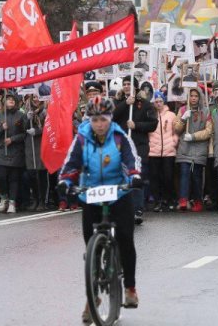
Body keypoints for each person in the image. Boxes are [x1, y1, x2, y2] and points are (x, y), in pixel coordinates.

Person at [58, 98, 142, 321]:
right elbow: (71, 163)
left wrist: (134, 176)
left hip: (119, 192)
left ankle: (130, 288)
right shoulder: (82, 139)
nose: (99, 124)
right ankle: (93, 295)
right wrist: (66, 180)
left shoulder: (119, 137)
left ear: (110, 119)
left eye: (103, 119)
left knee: (125, 238)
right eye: (94, 120)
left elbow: (131, 160)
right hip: (92, 193)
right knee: (90, 244)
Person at [113, 76, 157, 224]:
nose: (126, 86)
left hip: (139, 146)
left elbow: (153, 124)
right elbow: (110, 117)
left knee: (137, 177)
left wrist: (136, 125)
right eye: (124, 84)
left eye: (129, 84)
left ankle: (138, 209)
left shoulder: (145, 105)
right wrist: (125, 104)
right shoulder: (118, 102)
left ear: (136, 87)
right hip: (121, 146)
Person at [174, 88, 213, 212]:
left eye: (196, 96)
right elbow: (176, 129)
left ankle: (197, 201)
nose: (193, 98)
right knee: (184, 174)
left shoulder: (206, 111)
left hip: (199, 148)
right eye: (191, 96)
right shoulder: (183, 110)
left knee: (196, 176)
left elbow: (208, 131)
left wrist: (193, 136)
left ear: (200, 97)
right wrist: (183, 119)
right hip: (185, 148)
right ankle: (183, 200)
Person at [0, 93, 29, 214]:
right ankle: (4, 198)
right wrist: (2, 128)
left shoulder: (21, 115)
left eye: (13, 99)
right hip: (1, 151)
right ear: (4, 102)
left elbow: (25, 133)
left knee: (14, 178)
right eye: (8, 99)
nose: (11, 101)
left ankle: (12, 201)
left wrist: (12, 139)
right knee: (1, 176)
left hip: (16, 151)